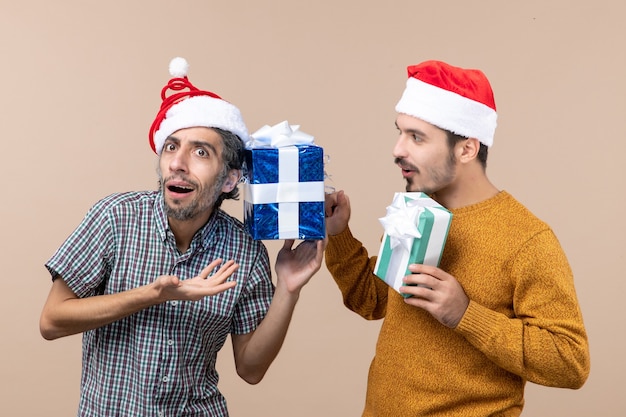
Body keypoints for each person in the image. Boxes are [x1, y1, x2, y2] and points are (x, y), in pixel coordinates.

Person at [39, 57, 324, 416]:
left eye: (200, 152)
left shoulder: (246, 250)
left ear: (229, 179)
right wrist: (154, 294)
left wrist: (288, 289)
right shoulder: (114, 218)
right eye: (172, 147)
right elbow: (51, 321)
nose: (178, 162)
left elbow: (250, 369)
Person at [324, 60, 590, 416]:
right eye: (400, 132)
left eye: (416, 137)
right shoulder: (417, 211)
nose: (397, 149)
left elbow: (570, 361)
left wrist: (465, 314)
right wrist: (339, 234)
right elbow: (372, 300)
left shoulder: (528, 239)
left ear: (466, 148)